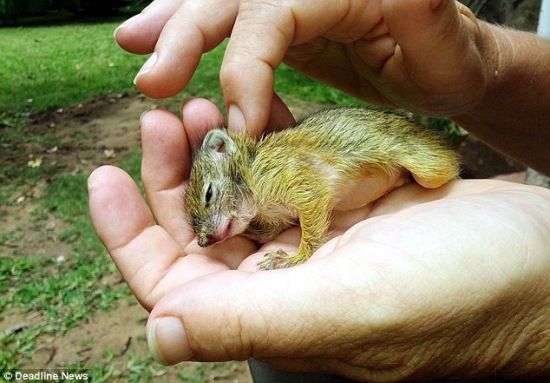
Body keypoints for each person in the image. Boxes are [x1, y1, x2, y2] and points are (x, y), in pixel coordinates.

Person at [88, 0, 550, 381]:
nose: (208, 235)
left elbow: (309, 193)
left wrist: (304, 251)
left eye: (210, 203)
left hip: (390, 152)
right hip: (393, 175)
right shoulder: (259, 207)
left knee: (431, 170)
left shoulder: (267, 171)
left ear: (229, 156)